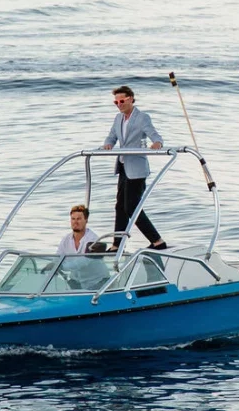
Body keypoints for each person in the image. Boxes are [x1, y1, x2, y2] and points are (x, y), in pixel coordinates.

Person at [102, 85, 168, 251]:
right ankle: (117, 244)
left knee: (132, 207)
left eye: (122, 101)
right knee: (120, 206)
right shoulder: (118, 118)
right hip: (123, 166)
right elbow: (112, 136)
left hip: (137, 168)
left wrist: (157, 143)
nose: (119, 105)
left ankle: (157, 241)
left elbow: (154, 135)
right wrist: (108, 144)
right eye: (116, 102)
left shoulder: (142, 117)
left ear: (131, 99)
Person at [54, 205, 109, 290]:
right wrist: (53, 264)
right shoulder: (66, 239)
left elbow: (84, 261)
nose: (75, 222)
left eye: (79, 219)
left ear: (86, 220)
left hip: (98, 282)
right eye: (73, 219)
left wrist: (61, 267)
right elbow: (58, 256)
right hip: (76, 281)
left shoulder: (93, 239)